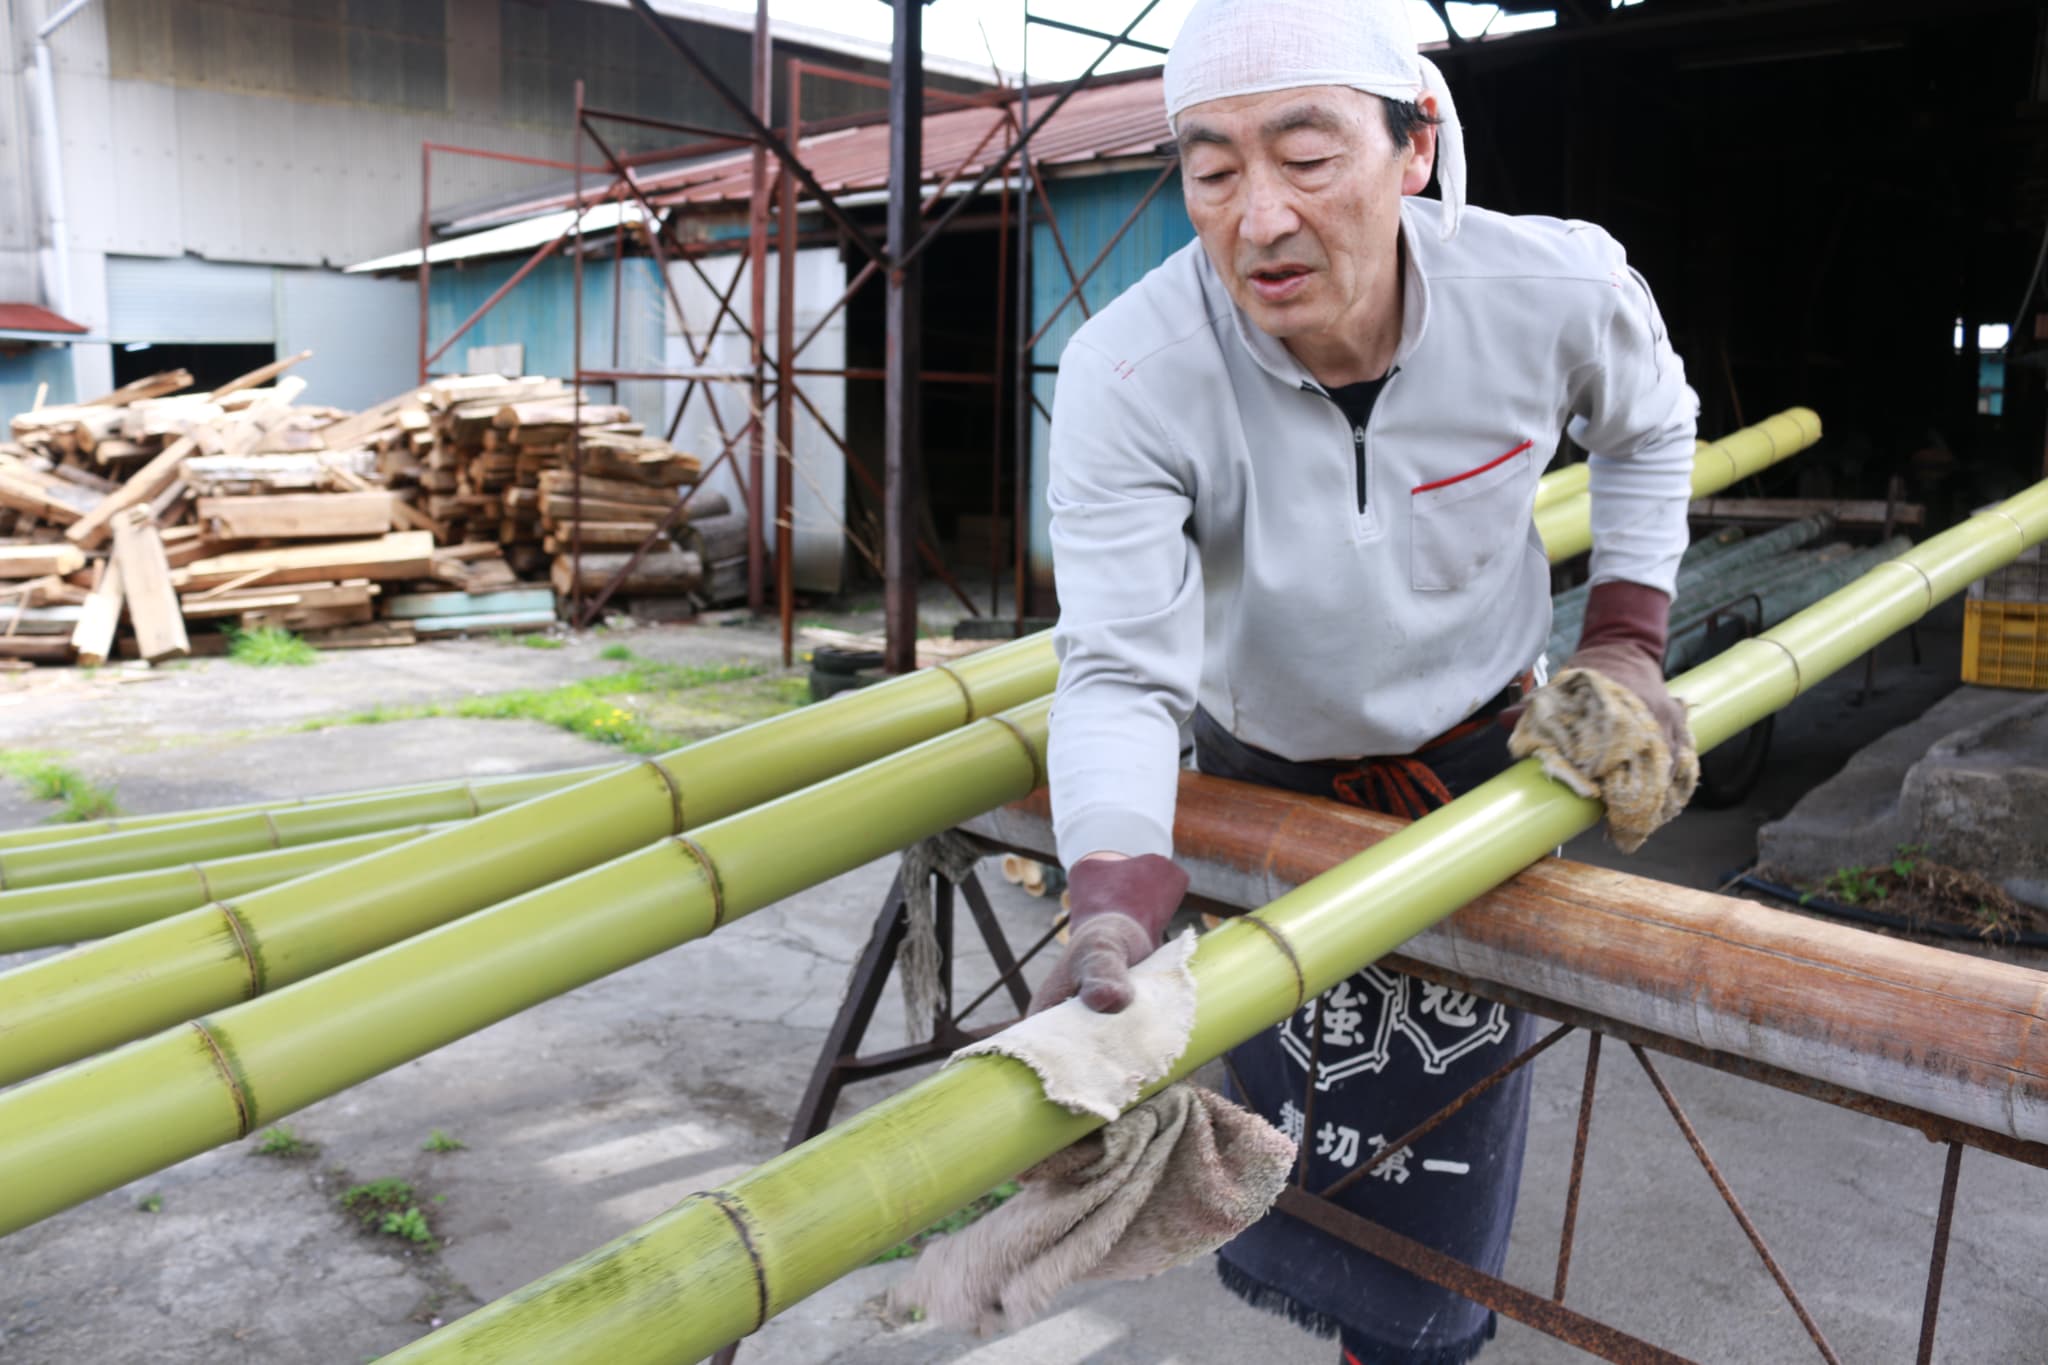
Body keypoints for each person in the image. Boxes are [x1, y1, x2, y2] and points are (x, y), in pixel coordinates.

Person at [1031, 1, 1701, 1361]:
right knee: (1304, 1104)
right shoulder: (1132, 372)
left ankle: (1415, 1342)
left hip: (1476, 771)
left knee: (1448, 1126)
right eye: (1211, 171)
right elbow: (1114, 668)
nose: (1259, 216)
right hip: (1258, 772)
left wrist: (1626, 631)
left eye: (1306, 154)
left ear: (1412, 147)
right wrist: (1110, 887)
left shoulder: (1550, 291)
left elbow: (1653, 424)